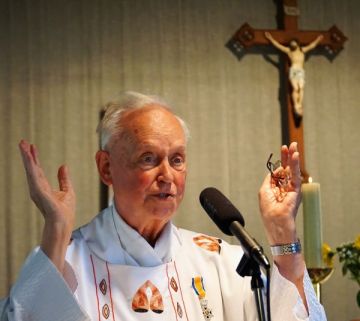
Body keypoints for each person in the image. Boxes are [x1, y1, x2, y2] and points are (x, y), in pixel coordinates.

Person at [0, 92, 326, 320]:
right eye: (149, 158)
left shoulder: (223, 263)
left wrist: (283, 232)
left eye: (177, 159)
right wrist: (56, 231)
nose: (167, 175)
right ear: (106, 168)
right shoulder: (65, 262)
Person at [264, 32, 324, 117]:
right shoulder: (289, 51)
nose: (292, 45)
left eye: (294, 43)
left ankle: (299, 104)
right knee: (295, 88)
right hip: (293, 70)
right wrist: (270, 39)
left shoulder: (302, 50)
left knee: (301, 88)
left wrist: (318, 40)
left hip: (301, 71)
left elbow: (311, 46)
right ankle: (296, 105)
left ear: (298, 44)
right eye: (291, 44)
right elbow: (278, 46)